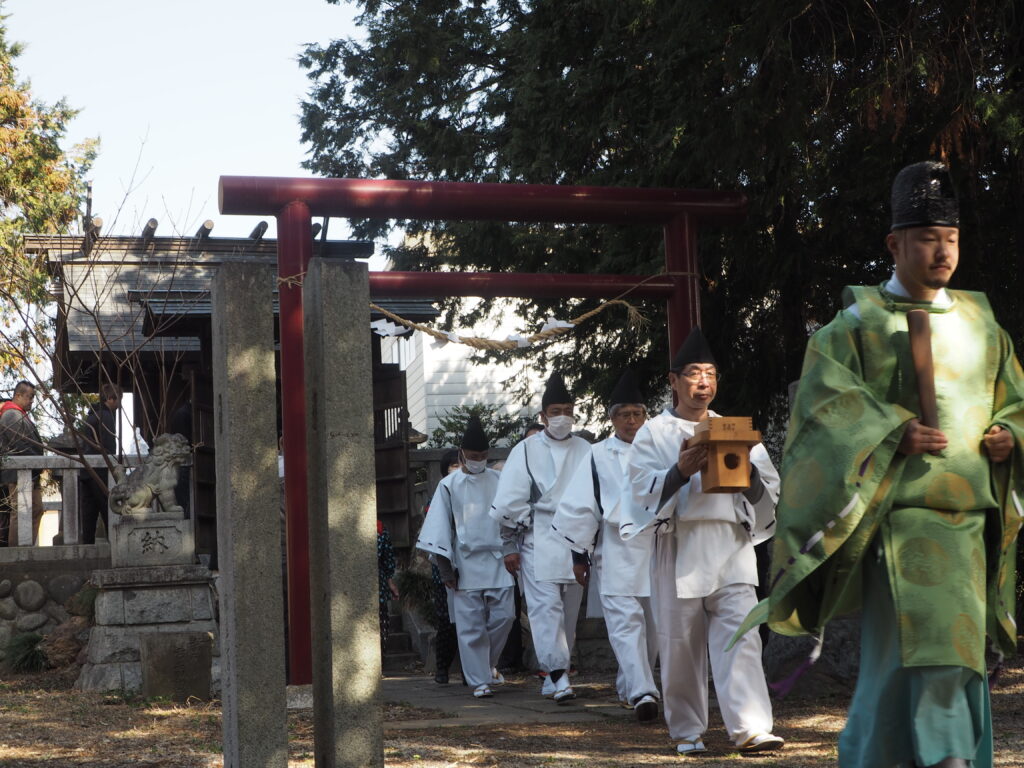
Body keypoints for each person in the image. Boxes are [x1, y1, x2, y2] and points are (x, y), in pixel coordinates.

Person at [753, 161, 1024, 768]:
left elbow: (1015, 398)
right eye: (927, 239)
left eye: (951, 239)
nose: (943, 252)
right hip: (896, 522)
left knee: (939, 654)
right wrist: (888, 431)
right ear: (894, 244)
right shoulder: (855, 325)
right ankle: (948, 757)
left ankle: (918, 755)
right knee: (921, 652)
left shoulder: (984, 325)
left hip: (970, 522)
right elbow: (823, 411)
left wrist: (1011, 433)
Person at [624, 328, 783, 755]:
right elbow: (639, 492)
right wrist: (679, 471)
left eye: (710, 374)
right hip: (679, 544)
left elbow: (769, 489)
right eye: (694, 373)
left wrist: (748, 476)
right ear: (674, 381)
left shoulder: (733, 428)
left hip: (730, 544)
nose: (703, 382)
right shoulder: (654, 433)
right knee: (681, 645)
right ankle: (687, 730)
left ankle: (751, 728)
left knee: (742, 637)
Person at [552, 369, 660, 722]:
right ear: (612, 419)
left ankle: (630, 686)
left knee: (653, 627)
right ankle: (644, 692)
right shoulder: (598, 454)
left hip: (658, 544)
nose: (632, 421)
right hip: (616, 547)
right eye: (624, 414)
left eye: (637, 413)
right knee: (625, 623)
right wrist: (578, 555)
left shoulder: (661, 449)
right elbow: (581, 505)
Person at [490, 373, 591, 703]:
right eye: (555, 411)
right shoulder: (525, 450)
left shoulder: (586, 449)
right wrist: (509, 545)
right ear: (543, 416)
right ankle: (560, 676)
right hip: (539, 536)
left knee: (569, 615)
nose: (562, 417)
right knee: (545, 611)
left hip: (577, 539)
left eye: (567, 410)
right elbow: (509, 500)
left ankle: (553, 673)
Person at [416, 415, 515, 698]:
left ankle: (487, 666)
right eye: (473, 456)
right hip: (464, 561)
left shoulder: (500, 480)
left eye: (483, 456)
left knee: (504, 617)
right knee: (471, 626)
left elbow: (511, 519)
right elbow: (439, 528)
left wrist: (512, 551)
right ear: (462, 453)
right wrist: (446, 569)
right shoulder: (449, 485)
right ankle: (479, 681)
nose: (478, 460)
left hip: (498, 558)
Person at [429, 448, 461, 684]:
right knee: (446, 619)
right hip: (444, 565)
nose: (457, 470)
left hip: (468, 563)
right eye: (453, 466)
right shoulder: (439, 495)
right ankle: (442, 668)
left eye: (460, 465)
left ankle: (473, 670)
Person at [0, 380, 45, 546]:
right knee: (20, 512)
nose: (32, 400)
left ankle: (27, 547)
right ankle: (17, 550)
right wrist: (39, 462)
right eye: (30, 396)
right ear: (18, 395)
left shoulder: (19, 414)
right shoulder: (10, 415)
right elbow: (21, 446)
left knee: (36, 509)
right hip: (18, 473)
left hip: (31, 471)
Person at [79, 383, 121, 544]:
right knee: (108, 509)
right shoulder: (106, 416)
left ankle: (87, 547)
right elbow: (109, 447)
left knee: (89, 514)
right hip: (101, 471)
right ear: (110, 399)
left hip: (87, 471)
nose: (119, 404)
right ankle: (115, 545)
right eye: (118, 399)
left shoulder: (93, 414)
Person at [377, 519, 401, 652]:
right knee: (381, 624)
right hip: (378, 582)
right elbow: (388, 559)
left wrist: (390, 583)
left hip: (376, 582)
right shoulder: (380, 529)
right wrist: (390, 582)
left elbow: (387, 559)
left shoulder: (380, 528)